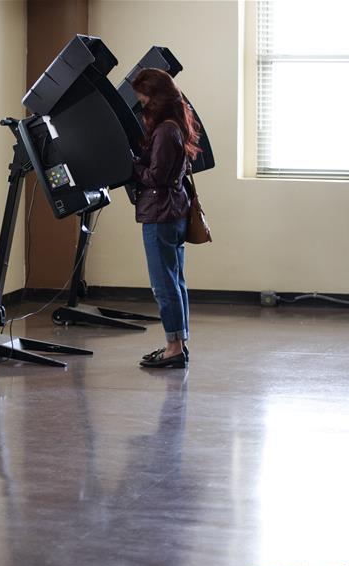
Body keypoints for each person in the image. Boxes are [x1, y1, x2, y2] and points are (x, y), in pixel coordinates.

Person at [130, 68, 202, 369]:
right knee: (175, 282)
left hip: (160, 214)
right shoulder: (176, 126)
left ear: (155, 97)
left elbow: (156, 177)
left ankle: (173, 348)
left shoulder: (164, 131)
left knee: (164, 285)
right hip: (174, 212)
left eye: (143, 97)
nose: (141, 103)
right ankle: (178, 343)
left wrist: (132, 166)